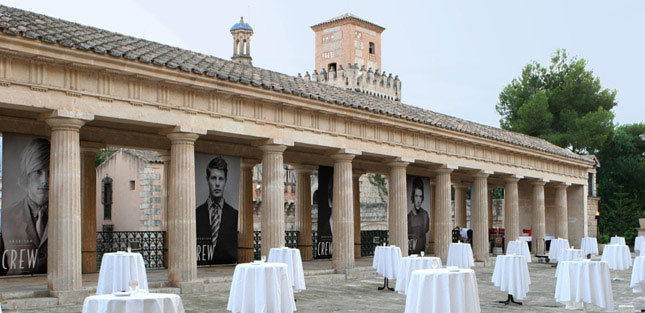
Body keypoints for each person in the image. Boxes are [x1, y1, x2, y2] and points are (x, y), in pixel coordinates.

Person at [1, 138, 50, 275]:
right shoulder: (7, 216)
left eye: (50, 172)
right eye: (38, 172)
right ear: (26, 175)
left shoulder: (65, 217)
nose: (45, 181)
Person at [195, 156, 237, 264]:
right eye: (214, 178)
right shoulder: (195, 215)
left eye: (221, 179)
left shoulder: (234, 215)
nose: (217, 184)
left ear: (225, 181)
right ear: (207, 179)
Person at [407, 177, 429, 254]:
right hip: (411, 251)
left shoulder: (425, 214)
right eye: (416, 196)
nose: (418, 200)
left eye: (420, 196)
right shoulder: (408, 216)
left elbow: (426, 230)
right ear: (413, 196)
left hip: (422, 251)